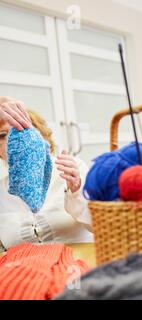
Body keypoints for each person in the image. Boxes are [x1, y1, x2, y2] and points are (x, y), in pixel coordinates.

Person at [0, 97, 92, 251]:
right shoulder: (2, 190)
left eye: (23, 129)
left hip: (78, 263)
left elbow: (101, 225)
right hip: (24, 270)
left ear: (41, 137)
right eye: (2, 135)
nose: (11, 139)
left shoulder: (73, 169)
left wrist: (76, 191)